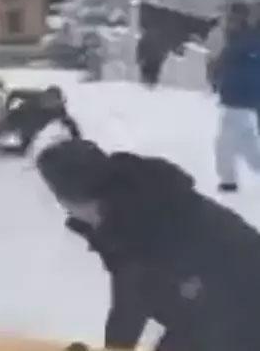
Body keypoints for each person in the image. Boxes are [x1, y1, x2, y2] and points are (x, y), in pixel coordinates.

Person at [37, 139, 260, 351]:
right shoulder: (136, 195)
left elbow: (131, 304)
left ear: (73, 199)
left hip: (238, 311)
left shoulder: (134, 228)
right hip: (215, 300)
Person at [208, 1, 260, 193]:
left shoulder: (247, 41)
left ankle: (228, 182)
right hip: (238, 101)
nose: (228, 22)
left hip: (241, 100)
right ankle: (230, 178)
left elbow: (248, 70)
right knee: (246, 144)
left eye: (232, 19)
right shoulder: (239, 40)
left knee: (224, 144)